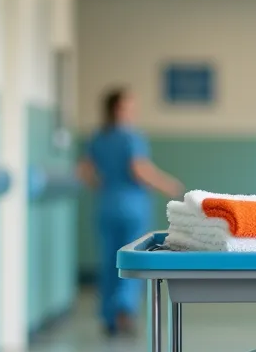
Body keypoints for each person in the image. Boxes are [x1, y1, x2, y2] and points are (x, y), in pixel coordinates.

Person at [78, 87, 183, 337]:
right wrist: (167, 185)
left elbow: (83, 171)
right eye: (130, 106)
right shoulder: (131, 137)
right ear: (118, 109)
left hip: (106, 205)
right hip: (132, 208)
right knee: (132, 260)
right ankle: (124, 309)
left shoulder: (98, 137)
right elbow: (139, 169)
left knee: (108, 261)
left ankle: (108, 315)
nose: (133, 112)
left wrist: (102, 186)